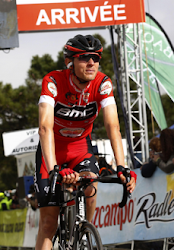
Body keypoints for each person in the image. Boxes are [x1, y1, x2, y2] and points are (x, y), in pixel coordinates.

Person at [35, 34, 137, 250]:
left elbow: (112, 126)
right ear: (69, 62)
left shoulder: (102, 83)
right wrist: (54, 168)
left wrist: (122, 166)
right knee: (48, 224)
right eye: (84, 58)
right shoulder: (53, 81)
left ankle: (84, 232)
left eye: (95, 57)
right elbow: (45, 128)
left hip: (81, 149)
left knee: (90, 187)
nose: (91, 63)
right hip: (52, 151)